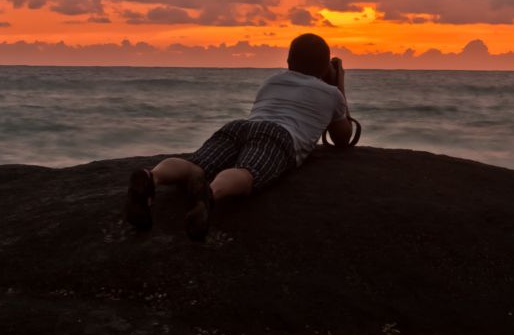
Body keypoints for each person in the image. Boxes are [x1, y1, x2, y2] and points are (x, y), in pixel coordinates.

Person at [123, 33, 354, 241]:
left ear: (288, 62)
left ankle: (151, 176)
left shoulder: (271, 81)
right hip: (279, 135)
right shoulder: (332, 94)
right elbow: (342, 138)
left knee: (195, 166)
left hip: (242, 126)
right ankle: (210, 195)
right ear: (326, 68)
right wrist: (339, 84)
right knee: (247, 173)